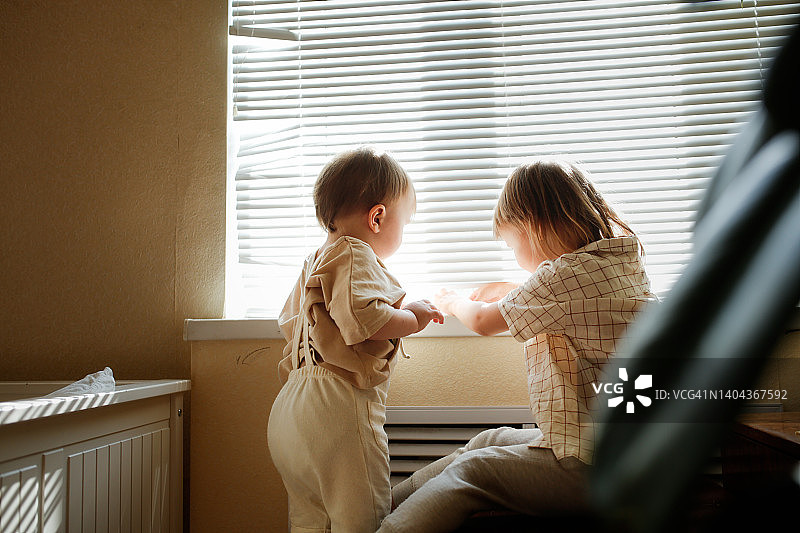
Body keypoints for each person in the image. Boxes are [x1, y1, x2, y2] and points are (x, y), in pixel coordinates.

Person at [377, 159, 657, 533]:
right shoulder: (620, 261)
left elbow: (482, 321)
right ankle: (385, 508)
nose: (515, 255)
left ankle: (384, 525)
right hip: (636, 457)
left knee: (472, 470)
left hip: (599, 470)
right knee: (489, 440)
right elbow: (574, 302)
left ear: (533, 227)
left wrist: (452, 301)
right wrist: (513, 290)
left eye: (512, 244)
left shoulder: (561, 276)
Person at [267, 147, 443, 533]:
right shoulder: (354, 252)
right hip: (336, 407)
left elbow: (290, 323)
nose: (403, 232)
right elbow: (364, 320)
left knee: (310, 521)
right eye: (404, 223)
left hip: (290, 409)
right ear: (377, 217)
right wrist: (414, 317)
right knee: (362, 519)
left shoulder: (316, 260)